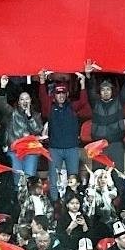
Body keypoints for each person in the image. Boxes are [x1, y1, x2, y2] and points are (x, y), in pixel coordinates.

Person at [38, 70, 89, 201]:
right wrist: (42, 81)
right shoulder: (50, 107)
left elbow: (83, 101)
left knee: (73, 178)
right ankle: (55, 203)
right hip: (55, 149)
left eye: (63, 93)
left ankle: (73, 202)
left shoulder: (72, 107)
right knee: (53, 178)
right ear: (54, 95)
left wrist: (83, 83)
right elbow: (43, 98)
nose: (60, 96)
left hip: (72, 148)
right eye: (58, 93)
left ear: (67, 95)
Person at [85, 60, 125, 172]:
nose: (105, 92)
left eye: (108, 89)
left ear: (111, 91)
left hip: (116, 144)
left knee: (117, 173)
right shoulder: (95, 103)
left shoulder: (118, 102)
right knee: (98, 173)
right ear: (100, 92)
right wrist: (88, 75)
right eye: (103, 90)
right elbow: (90, 91)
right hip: (98, 144)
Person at [0, 75, 44, 182]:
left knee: (30, 178)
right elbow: (2, 104)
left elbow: (38, 130)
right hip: (15, 151)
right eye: (22, 99)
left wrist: (29, 116)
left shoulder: (36, 115)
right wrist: (3, 87)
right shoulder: (12, 113)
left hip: (31, 151)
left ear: (30, 100)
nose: (24, 101)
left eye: (27, 98)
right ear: (18, 102)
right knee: (17, 179)